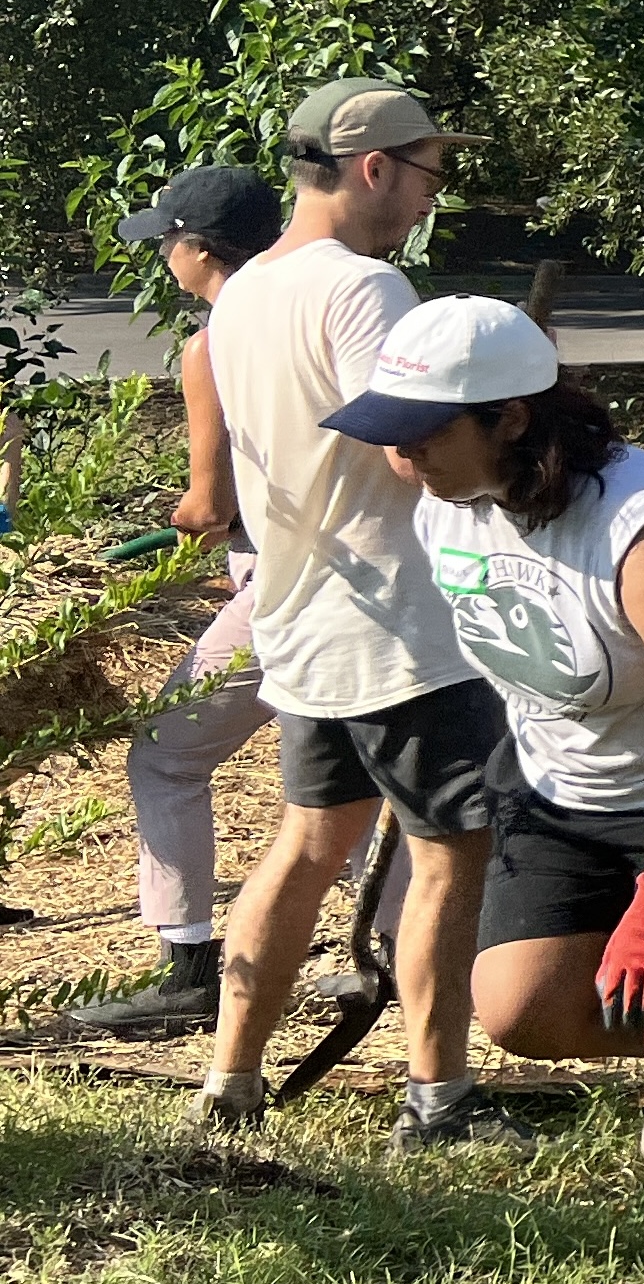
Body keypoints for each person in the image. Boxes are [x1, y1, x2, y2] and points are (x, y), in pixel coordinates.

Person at [325, 296, 644, 1256]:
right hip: (566, 781)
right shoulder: (451, 501)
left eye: (421, 433)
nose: (400, 457)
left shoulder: (642, 528)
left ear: (512, 419)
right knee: (519, 1009)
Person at [191, 79, 526, 1153]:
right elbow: (405, 449)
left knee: (305, 844)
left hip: (298, 621)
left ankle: (232, 1078)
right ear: (374, 168)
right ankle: (438, 1101)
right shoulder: (367, 291)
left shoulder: (242, 292)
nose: (434, 193)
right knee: (448, 855)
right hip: (404, 632)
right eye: (429, 170)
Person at [67, 167, 407, 1035]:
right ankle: (400, 952)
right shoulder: (314, 305)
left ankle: (187, 963)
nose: (165, 257)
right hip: (377, 576)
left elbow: (210, 508)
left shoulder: (215, 340)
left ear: (201, 250)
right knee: (374, 771)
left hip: (287, 583)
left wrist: (178, 527)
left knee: (167, 756)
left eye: (168, 241)